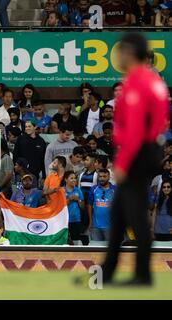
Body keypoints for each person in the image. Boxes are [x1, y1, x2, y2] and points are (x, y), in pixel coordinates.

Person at [97, 33, 169, 286]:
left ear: (131, 52)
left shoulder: (137, 82)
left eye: (122, 50)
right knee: (118, 213)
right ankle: (106, 274)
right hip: (148, 150)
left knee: (136, 214)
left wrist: (123, 163)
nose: (119, 55)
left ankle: (142, 275)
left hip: (137, 152)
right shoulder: (153, 81)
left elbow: (136, 128)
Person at [88, 169, 116, 241]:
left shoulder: (115, 189)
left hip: (111, 226)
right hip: (95, 226)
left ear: (109, 177)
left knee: (110, 250)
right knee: (96, 250)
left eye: (104, 176)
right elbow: (90, 205)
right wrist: (91, 221)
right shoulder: (93, 189)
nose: (102, 178)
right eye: (100, 176)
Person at [63, 171, 84, 242]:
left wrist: (78, 199)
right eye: (71, 178)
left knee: (76, 242)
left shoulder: (78, 190)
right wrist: (69, 199)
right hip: (64, 221)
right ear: (66, 180)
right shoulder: (62, 191)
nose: (74, 180)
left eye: (75, 178)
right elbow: (60, 207)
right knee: (65, 242)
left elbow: (82, 207)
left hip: (76, 220)